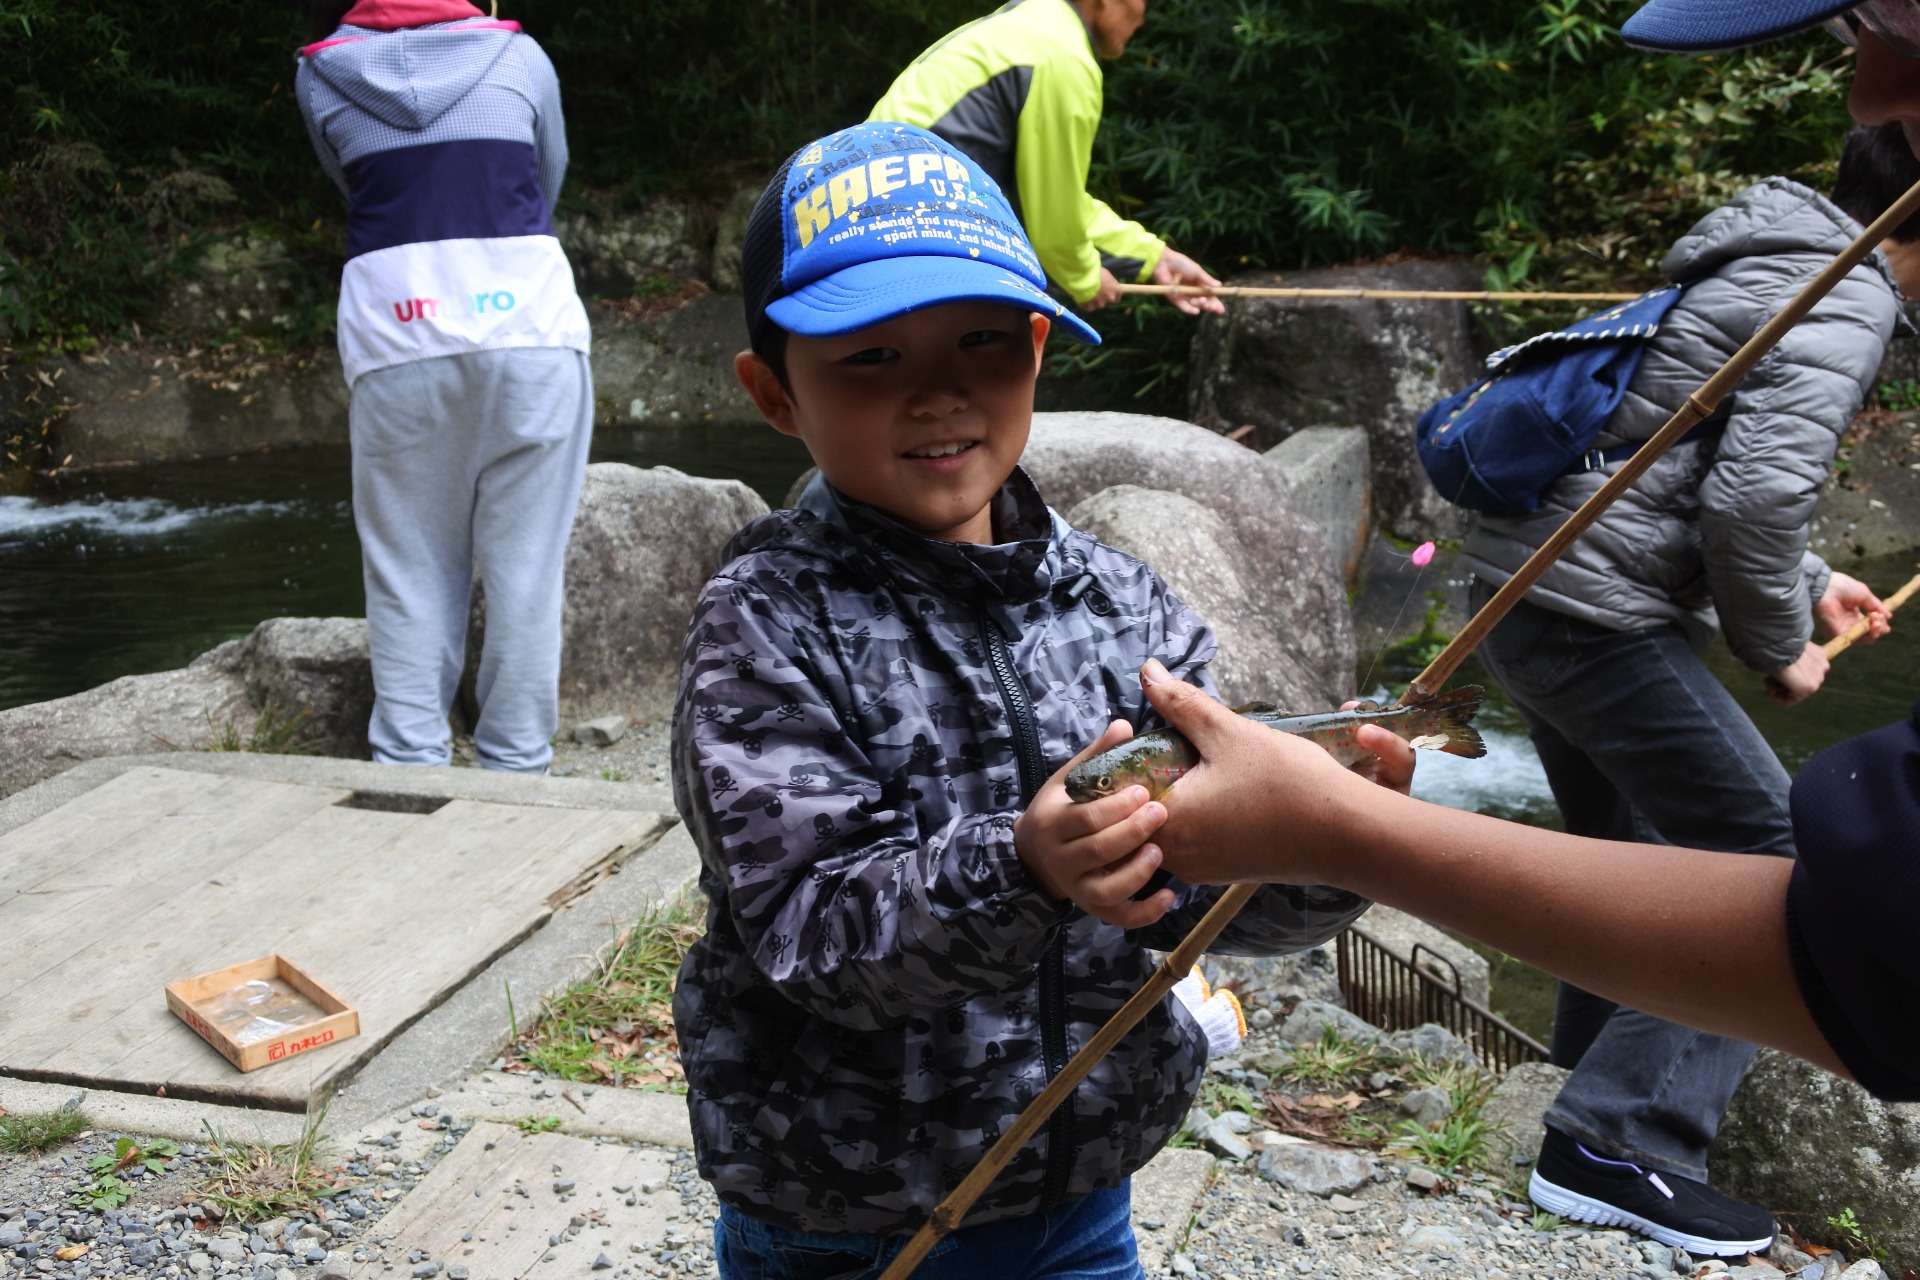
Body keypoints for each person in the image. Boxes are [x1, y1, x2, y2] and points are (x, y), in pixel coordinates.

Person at [671, 121, 1391, 1280]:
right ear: (773, 394)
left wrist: (1335, 839)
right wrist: (1024, 866)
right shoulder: (764, 622)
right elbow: (809, 935)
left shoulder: (1128, 604)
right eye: (869, 357)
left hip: (1081, 1196)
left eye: (982, 341)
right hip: (842, 1220)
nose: (940, 390)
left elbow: (1207, 903)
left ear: (1040, 347)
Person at [1446, 106, 1912, 1254]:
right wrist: (1780, 650)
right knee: (1788, 863)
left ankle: (1576, 1086)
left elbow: (1682, 450)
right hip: (1593, 618)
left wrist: (1809, 585)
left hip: (1532, 596)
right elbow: (1748, 501)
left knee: (1636, 857)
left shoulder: (1778, 256)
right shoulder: (1848, 293)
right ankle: (1619, 1135)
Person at [1129, 660, 1920, 1104]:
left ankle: (1592, 1094)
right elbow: (1866, 946)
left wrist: (1337, 834)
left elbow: (1867, 941)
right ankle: (1621, 1127)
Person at [296, 0, 591, 774]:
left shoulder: (320, 72)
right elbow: (545, 175)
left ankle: (409, 769)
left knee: (408, 565)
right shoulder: (520, 58)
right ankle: (518, 770)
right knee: (527, 567)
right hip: (528, 324)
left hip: (397, 329)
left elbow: (353, 187)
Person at [870, 0, 1226, 317]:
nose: (1143, 14)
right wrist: (1085, 277)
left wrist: (1155, 257)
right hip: (910, 231)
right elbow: (1052, 219)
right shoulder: (1062, 54)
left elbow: (1054, 196)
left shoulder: (1032, 27)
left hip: (874, 217)